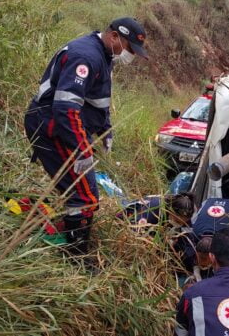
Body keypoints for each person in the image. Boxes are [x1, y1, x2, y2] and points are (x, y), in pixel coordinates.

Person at [24, 17, 148, 254]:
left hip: (65, 129)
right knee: (85, 197)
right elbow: (65, 109)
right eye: (129, 48)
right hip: (52, 128)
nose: (129, 54)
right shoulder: (86, 57)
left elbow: (97, 101)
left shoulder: (103, 54)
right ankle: (76, 256)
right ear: (114, 36)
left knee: (79, 192)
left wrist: (105, 131)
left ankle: (64, 236)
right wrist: (82, 150)